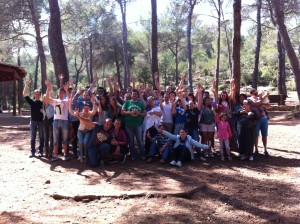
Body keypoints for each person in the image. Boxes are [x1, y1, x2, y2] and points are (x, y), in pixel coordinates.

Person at [45, 80, 70, 162]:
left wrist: (67, 90)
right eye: (59, 93)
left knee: (65, 139)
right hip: (56, 121)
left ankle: (65, 154)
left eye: (62, 93)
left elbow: (70, 100)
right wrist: (48, 89)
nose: (61, 94)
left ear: (64, 94)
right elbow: (47, 99)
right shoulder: (55, 101)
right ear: (58, 93)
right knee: (55, 139)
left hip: (65, 121)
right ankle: (55, 155)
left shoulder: (66, 101)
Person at [69, 96, 97, 163]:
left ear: (89, 108)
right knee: (81, 142)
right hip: (80, 131)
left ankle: (86, 156)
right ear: (83, 109)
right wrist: (70, 103)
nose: (86, 109)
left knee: (85, 142)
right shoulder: (80, 114)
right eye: (84, 108)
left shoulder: (90, 113)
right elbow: (71, 112)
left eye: (87, 108)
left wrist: (93, 102)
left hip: (88, 131)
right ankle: (81, 156)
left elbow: (95, 110)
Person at [121, 89, 146, 160]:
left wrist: (139, 113)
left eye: (136, 94)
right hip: (129, 124)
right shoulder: (127, 102)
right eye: (133, 94)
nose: (134, 95)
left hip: (138, 124)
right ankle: (132, 155)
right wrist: (130, 112)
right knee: (131, 140)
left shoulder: (141, 104)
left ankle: (142, 154)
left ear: (137, 95)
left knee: (140, 140)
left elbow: (144, 113)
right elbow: (122, 112)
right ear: (131, 95)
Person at [23, 77, 44, 158]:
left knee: (41, 137)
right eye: (36, 94)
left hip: (41, 122)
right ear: (34, 95)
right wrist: (27, 84)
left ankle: (40, 151)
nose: (37, 95)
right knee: (33, 137)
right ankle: (32, 152)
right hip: (33, 121)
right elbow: (24, 94)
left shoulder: (43, 103)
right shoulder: (32, 102)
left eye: (38, 94)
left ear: (40, 95)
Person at [248, 88, 270, 157]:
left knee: (264, 135)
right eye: (255, 93)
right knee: (256, 135)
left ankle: (265, 149)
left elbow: (269, 106)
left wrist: (263, 103)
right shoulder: (249, 99)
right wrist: (264, 97)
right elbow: (256, 104)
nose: (257, 95)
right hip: (256, 119)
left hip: (264, 119)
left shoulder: (260, 98)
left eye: (257, 93)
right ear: (251, 94)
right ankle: (256, 149)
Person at [42, 94, 54, 158]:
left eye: (46, 98)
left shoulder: (51, 105)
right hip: (45, 122)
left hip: (51, 122)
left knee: (51, 138)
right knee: (46, 138)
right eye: (44, 98)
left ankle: (50, 153)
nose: (45, 99)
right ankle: (46, 152)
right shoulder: (42, 106)